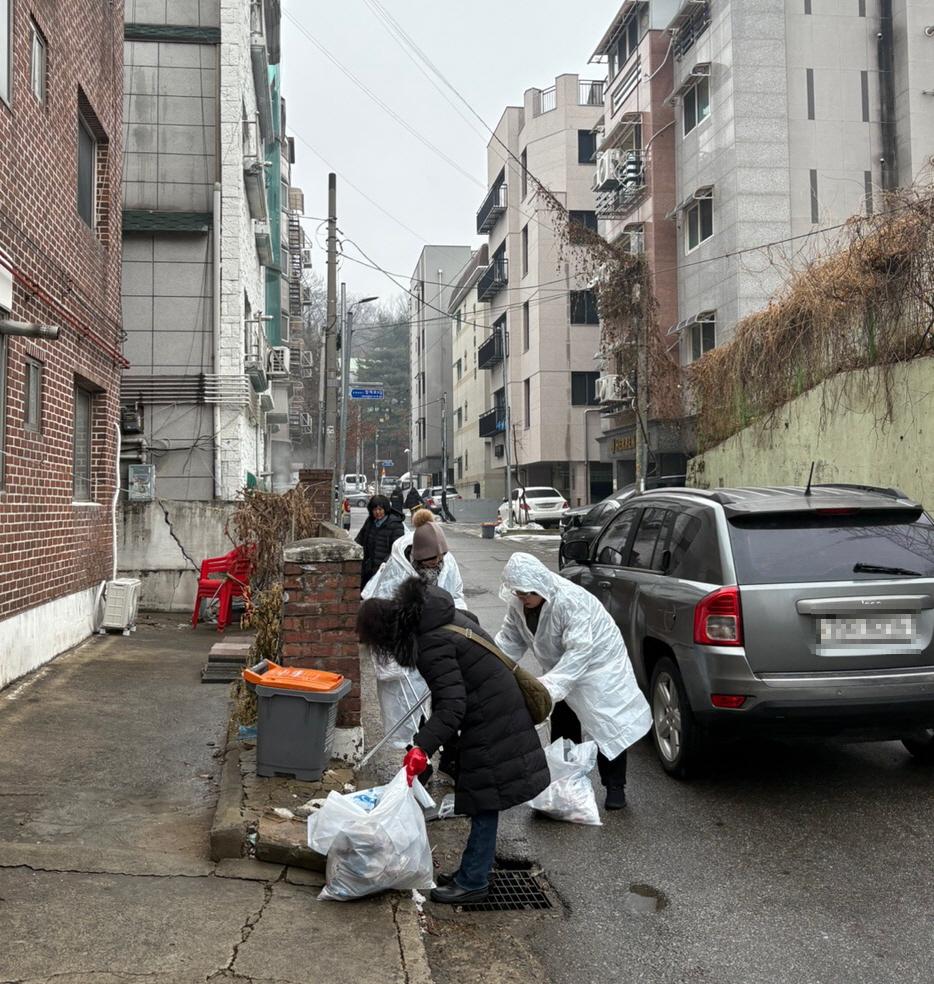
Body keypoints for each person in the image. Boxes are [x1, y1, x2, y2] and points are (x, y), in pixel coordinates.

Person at [356, 577, 549, 904]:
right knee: (479, 796)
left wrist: (422, 747)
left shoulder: (429, 642)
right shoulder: (433, 614)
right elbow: (469, 633)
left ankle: (474, 882)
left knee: (484, 799)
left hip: (491, 716)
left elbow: (452, 706)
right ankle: (471, 870)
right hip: (496, 704)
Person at [495, 552, 651, 811]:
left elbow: (580, 651)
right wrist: (492, 665)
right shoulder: (519, 603)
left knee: (606, 724)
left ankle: (615, 786)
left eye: (527, 593)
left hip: (599, 665)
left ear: (539, 586)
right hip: (560, 666)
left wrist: (550, 685)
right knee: (564, 722)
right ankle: (566, 784)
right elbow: (510, 639)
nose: (523, 598)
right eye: (518, 593)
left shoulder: (570, 601)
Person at [361, 509, 469, 761]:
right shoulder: (397, 571)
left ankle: (450, 757)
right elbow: (380, 612)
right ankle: (419, 758)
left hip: (441, 643)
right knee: (411, 707)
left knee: (446, 701)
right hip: (411, 648)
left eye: (441, 557)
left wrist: (459, 622)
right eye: (432, 560)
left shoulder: (446, 561)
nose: (438, 563)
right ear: (418, 557)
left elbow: (456, 595)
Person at [354, 494, 405, 589]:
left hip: (385, 570)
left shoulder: (395, 525)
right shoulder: (370, 522)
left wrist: (386, 562)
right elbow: (359, 539)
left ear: (386, 509)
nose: (378, 512)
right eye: (374, 509)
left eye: (380, 509)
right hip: (368, 567)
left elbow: (397, 548)